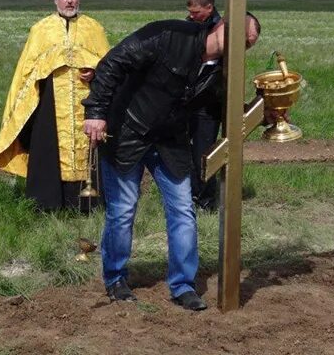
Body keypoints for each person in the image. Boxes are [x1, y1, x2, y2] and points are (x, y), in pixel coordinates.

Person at [83, 17, 252, 311]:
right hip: (127, 130)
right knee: (123, 210)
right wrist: (96, 111)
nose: (242, 45)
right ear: (221, 25)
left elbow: (227, 111)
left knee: (184, 210)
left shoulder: (224, 73)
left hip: (171, 141)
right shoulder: (169, 35)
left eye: (248, 44)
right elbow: (114, 62)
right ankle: (115, 278)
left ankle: (183, 285)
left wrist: (268, 109)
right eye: (239, 35)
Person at [0, 0, 110, 211]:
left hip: (87, 102)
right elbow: (28, 70)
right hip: (50, 102)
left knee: (90, 148)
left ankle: (88, 205)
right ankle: (49, 204)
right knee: (49, 148)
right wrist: (50, 64)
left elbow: (109, 64)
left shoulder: (93, 28)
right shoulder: (41, 30)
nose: (70, 1)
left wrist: (95, 71)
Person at [184, 0, 260, 210]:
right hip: (185, 100)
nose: (191, 15)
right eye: (190, 12)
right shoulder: (189, 26)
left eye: (196, 12)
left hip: (208, 104)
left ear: (209, 8)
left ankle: (205, 201)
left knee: (204, 153)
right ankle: (187, 197)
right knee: (182, 151)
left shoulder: (227, 29)